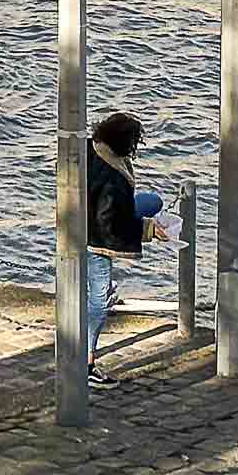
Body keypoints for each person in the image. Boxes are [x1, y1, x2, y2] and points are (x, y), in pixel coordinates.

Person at [87, 110, 169, 388]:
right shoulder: (112, 180)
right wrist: (147, 230)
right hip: (94, 240)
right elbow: (108, 224)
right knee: (97, 302)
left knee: (152, 201)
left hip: (81, 225)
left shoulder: (89, 148)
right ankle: (86, 362)